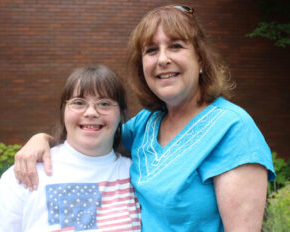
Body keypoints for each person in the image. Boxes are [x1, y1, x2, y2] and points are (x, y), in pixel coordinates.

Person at [14, 5, 276, 231]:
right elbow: (91, 138)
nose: (163, 59)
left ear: (201, 60)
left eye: (176, 46)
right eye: (151, 50)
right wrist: (42, 139)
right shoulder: (146, 123)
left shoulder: (232, 128)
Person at [0, 65, 141, 231]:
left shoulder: (138, 174)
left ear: (121, 113)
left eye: (104, 103)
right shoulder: (27, 174)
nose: (91, 112)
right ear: (64, 111)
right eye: (79, 102)